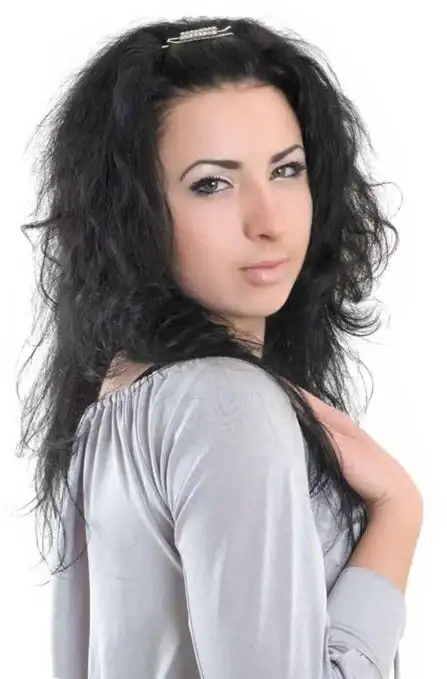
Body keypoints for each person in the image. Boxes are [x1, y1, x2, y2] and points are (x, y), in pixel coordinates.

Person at [16, 16, 423, 679]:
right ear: (133, 212)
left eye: (286, 170)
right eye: (212, 183)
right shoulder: (223, 401)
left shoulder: (115, 399)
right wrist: (397, 512)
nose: (268, 221)